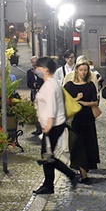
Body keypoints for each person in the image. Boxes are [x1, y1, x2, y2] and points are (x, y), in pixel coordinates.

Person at [32, 56, 79, 194]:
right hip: (52, 124)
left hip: (52, 125)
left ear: (45, 69)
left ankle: (67, 176)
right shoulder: (49, 83)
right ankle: (50, 184)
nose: (36, 70)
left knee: (47, 156)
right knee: (47, 156)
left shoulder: (51, 85)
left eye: (37, 67)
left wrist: (48, 125)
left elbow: (52, 106)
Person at [63, 55, 100, 184]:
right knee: (76, 145)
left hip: (88, 119)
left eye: (85, 70)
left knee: (87, 144)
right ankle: (82, 173)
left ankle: (83, 172)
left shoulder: (90, 85)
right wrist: (77, 99)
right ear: (76, 71)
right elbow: (63, 101)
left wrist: (85, 103)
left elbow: (95, 102)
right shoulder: (69, 85)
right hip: (74, 120)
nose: (83, 72)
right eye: (81, 70)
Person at [27, 55, 44, 135]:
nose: (34, 64)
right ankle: (38, 128)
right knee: (35, 111)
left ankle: (43, 127)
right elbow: (28, 83)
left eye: (36, 62)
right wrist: (32, 84)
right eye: (33, 62)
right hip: (34, 93)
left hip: (42, 93)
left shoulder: (42, 71)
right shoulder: (29, 72)